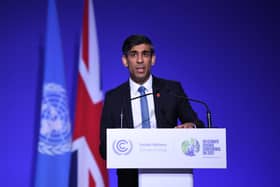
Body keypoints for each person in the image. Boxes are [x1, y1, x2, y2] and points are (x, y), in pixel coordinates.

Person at [99, 34, 204, 187]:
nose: (140, 60)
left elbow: (197, 124)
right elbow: (104, 149)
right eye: (133, 54)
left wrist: (191, 127)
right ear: (125, 61)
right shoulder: (114, 98)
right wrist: (123, 145)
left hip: (170, 175)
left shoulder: (171, 90)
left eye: (145, 54)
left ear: (153, 59)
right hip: (130, 179)